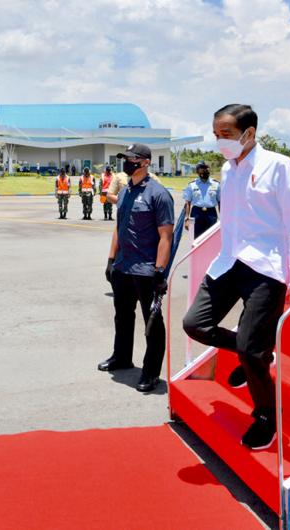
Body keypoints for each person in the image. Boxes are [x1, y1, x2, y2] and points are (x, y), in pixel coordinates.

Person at [182, 104, 290, 451]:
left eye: (226, 134)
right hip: (230, 262)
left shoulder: (278, 166)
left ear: (249, 133)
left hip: (266, 267)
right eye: (216, 135)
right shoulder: (228, 169)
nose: (219, 141)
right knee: (195, 324)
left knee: (251, 351)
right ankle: (253, 350)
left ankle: (266, 417)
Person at [99, 143, 174, 393]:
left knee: (152, 322)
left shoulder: (158, 194)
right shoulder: (124, 193)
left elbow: (166, 236)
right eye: (126, 158)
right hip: (123, 266)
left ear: (145, 162)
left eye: (132, 158)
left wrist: (160, 271)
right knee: (122, 315)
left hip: (146, 269)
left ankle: (151, 372)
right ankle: (122, 356)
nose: (127, 162)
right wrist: (111, 259)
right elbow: (118, 227)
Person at [182, 161, 221, 239]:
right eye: (202, 168)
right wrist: (186, 219)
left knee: (211, 238)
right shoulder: (192, 185)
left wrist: (223, 218)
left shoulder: (216, 184)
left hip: (211, 213)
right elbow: (187, 202)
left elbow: (221, 202)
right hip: (196, 213)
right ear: (197, 171)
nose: (204, 170)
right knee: (196, 238)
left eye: (206, 168)